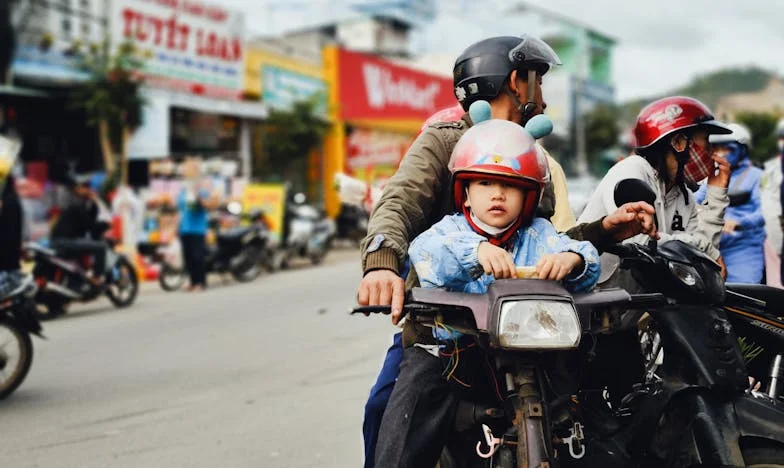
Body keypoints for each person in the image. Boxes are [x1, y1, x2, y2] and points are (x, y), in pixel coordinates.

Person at [359, 35, 657, 467]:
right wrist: (382, 266)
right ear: (518, 81)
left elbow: (544, 240)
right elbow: (397, 206)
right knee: (387, 410)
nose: (544, 99)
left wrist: (602, 233)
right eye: (539, 82)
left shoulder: (534, 156)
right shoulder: (444, 142)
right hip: (448, 330)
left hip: (528, 331)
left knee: (596, 415)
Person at [372, 120, 601, 467]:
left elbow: (587, 257)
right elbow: (426, 253)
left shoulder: (540, 234)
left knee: (592, 405)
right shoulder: (448, 231)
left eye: (510, 185)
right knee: (411, 405)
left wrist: (573, 260)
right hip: (456, 356)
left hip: (534, 355)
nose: (497, 193)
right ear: (464, 191)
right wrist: (476, 253)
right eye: (484, 182)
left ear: (529, 195)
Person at [578, 96, 731, 274]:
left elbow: (703, 259)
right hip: (596, 294)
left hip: (644, 297)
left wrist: (716, 194)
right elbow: (638, 241)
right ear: (679, 142)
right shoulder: (632, 170)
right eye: (705, 140)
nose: (711, 151)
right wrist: (705, 249)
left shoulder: (683, 196)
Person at [695, 123, 765, 283]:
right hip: (710, 246)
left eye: (727, 149)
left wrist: (739, 222)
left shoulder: (757, 176)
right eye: (716, 149)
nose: (720, 153)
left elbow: (765, 211)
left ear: (742, 150)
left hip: (743, 248)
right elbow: (693, 201)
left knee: (744, 295)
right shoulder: (711, 176)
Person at [50, 173, 111, 285]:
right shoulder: (77, 204)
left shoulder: (81, 203)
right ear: (78, 189)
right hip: (64, 241)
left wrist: (95, 200)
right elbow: (92, 227)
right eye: (86, 187)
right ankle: (97, 278)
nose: (90, 189)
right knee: (101, 247)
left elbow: (92, 219)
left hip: (66, 240)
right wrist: (106, 225)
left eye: (89, 186)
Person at [177, 163, 219, 292]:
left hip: (197, 229)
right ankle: (193, 281)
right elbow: (180, 209)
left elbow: (209, 205)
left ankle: (201, 282)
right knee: (188, 257)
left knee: (197, 257)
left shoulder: (201, 191)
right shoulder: (183, 192)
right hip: (185, 229)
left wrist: (200, 200)